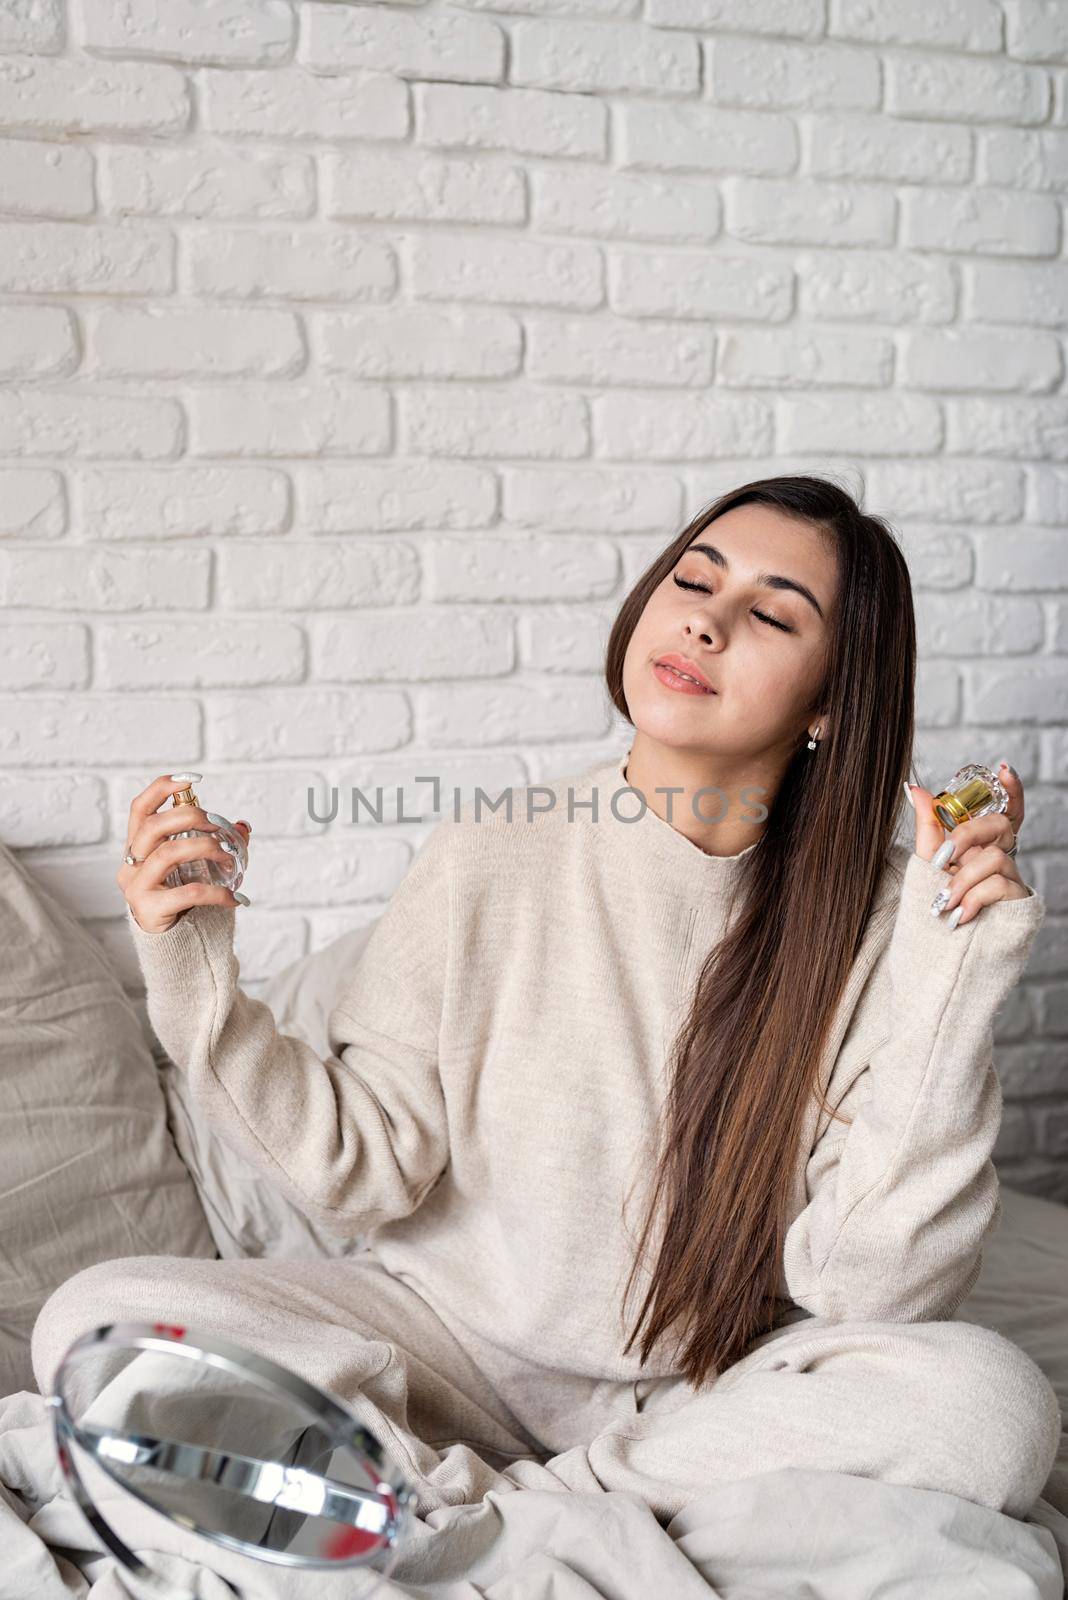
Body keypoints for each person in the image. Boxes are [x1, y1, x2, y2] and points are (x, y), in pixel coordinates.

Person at [32, 474, 1061, 1531]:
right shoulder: (490, 853)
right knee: (91, 1319)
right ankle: (582, 1496)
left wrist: (952, 972)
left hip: (710, 1388)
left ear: (830, 703)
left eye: (768, 613)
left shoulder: (886, 923)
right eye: (692, 579)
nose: (703, 619)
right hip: (445, 1351)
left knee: (992, 1407)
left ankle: (529, 1504)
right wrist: (192, 964)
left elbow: (869, 1289)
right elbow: (361, 1164)